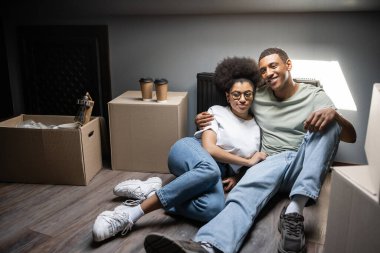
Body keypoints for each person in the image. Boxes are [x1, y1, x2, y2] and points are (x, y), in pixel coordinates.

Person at [142, 47, 357, 253]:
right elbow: (234, 108)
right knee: (241, 197)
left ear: (288, 64)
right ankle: (208, 245)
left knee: (330, 122)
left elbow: (350, 137)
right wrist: (202, 120)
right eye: (263, 70)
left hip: (303, 164)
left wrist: (334, 114)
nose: (268, 73)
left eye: (273, 66)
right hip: (268, 163)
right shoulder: (258, 95)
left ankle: (294, 210)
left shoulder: (314, 95)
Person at [92, 57, 267, 242]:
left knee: (213, 209)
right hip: (190, 151)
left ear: (253, 95)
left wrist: (236, 176)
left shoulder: (256, 128)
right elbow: (209, 148)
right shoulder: (216, 111)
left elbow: (245, 164)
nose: (242, 99)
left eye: (247, 94)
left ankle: (153, 192)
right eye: (236, 94)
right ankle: (129, 214)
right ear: (227, 96)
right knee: (210, 169)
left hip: (216, 173)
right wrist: (247, 161)